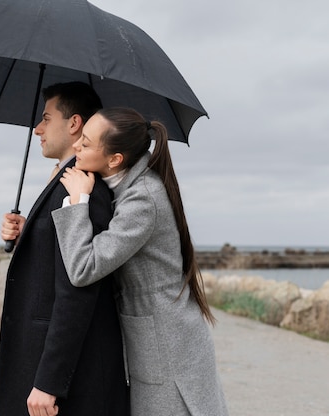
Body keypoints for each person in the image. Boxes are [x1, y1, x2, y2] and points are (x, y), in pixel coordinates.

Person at [51, 107, 229, 415]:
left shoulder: (142, 199)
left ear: (115, 159)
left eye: (87, 142)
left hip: (167, 348)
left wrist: (77, 201)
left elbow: (84, 268)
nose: (76, 145)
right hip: (158, 339)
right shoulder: (126, 184)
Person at [0, 83, 130, 416]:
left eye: (45, 118)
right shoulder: (65, 180)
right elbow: (55, 257)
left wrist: (50, 382)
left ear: (74, 124)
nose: (37, 129)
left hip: (65, 381)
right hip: (45, 365)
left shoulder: (86, 189)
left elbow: (78, 289)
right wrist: (26, 234)